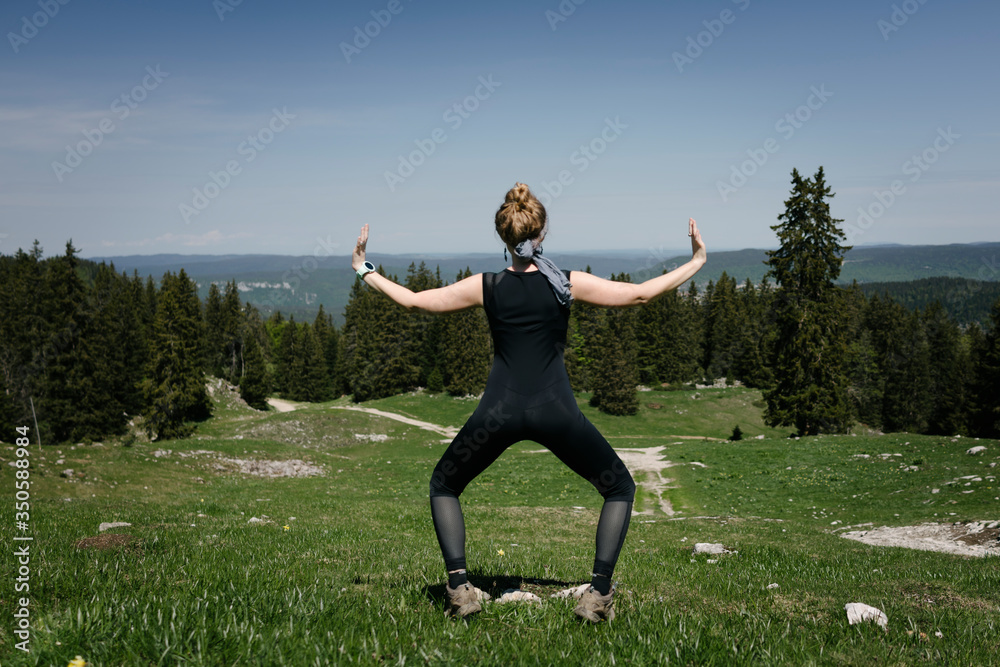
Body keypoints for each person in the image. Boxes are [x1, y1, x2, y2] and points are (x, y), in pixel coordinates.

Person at [351, 182, 706, 622]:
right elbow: (640, 293)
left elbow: (412, 301)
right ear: (541, 234)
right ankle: (596, 596)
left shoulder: (487, 286)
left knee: (444, 484)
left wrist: (364, 268)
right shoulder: (566, 284)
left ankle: (461, 590)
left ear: (504, 237)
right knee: (620, 488)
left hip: (497, 412)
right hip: (556, 411)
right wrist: (696, 261)